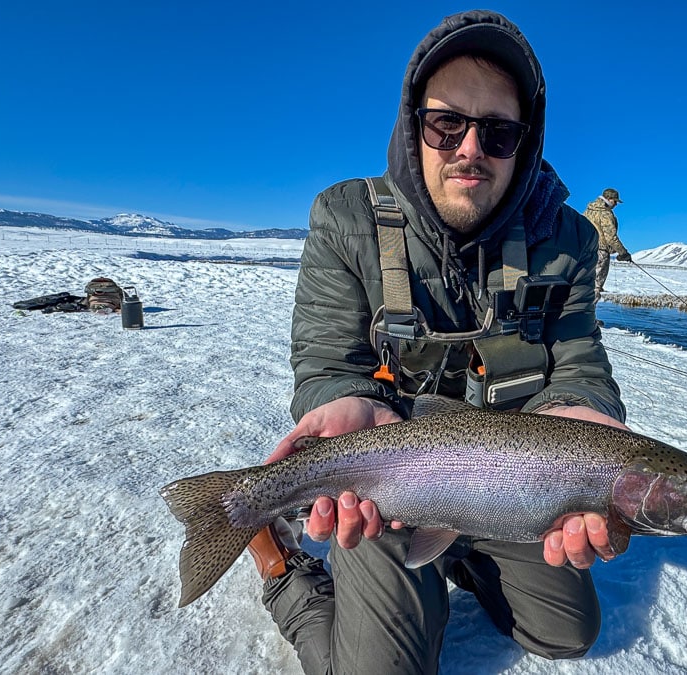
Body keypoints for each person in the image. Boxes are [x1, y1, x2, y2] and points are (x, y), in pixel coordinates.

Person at [248, 11, 630, 674]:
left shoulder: (568, 241)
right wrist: (343, 398)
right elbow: (328, 361)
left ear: (526, 142)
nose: (469, 148)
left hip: (512, 484)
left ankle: (458, 553)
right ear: (413, 126)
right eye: (447, 122)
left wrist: (585, 411)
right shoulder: (347, 219)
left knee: (568, 632)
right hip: (386, 486)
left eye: (499, 132)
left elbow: (579, 362)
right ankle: (287, 576)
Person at [582, 188, 631, 302]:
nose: (616, 205)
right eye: (615, 201)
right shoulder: (606, 214)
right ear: (609, 199)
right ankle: (590, 317)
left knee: (583, 283)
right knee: (596, 285)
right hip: (600, 252)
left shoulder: (588, 210)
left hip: (584, 251)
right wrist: (623, 253)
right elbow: (611, 237)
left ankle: (581, 314)